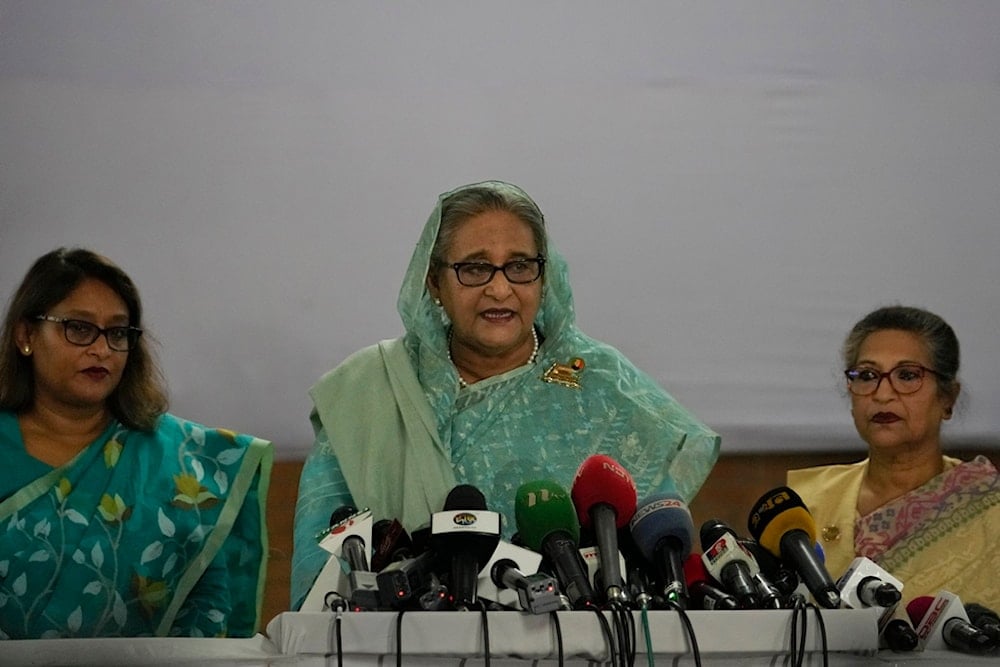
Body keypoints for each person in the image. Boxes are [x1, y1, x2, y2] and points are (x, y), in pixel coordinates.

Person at [292, 180, 720, 608]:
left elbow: (656, 545)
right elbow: (322, 569)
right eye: (475, 268)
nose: (500, 289)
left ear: (544, 276)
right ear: (435, 282)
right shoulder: (369, 390)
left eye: (519, 266)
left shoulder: (604, 387)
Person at [0, 248, 273, 638]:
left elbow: (207, 606)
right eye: (78, 327)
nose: (101, 349)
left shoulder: (183, 462)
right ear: (26, 335)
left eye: (117, 332)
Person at [788, 305, 1000, 610]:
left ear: (948, 397)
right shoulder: (803, 505)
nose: (882, 394)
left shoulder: (989, 511)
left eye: (907, 375)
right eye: (867, 375)